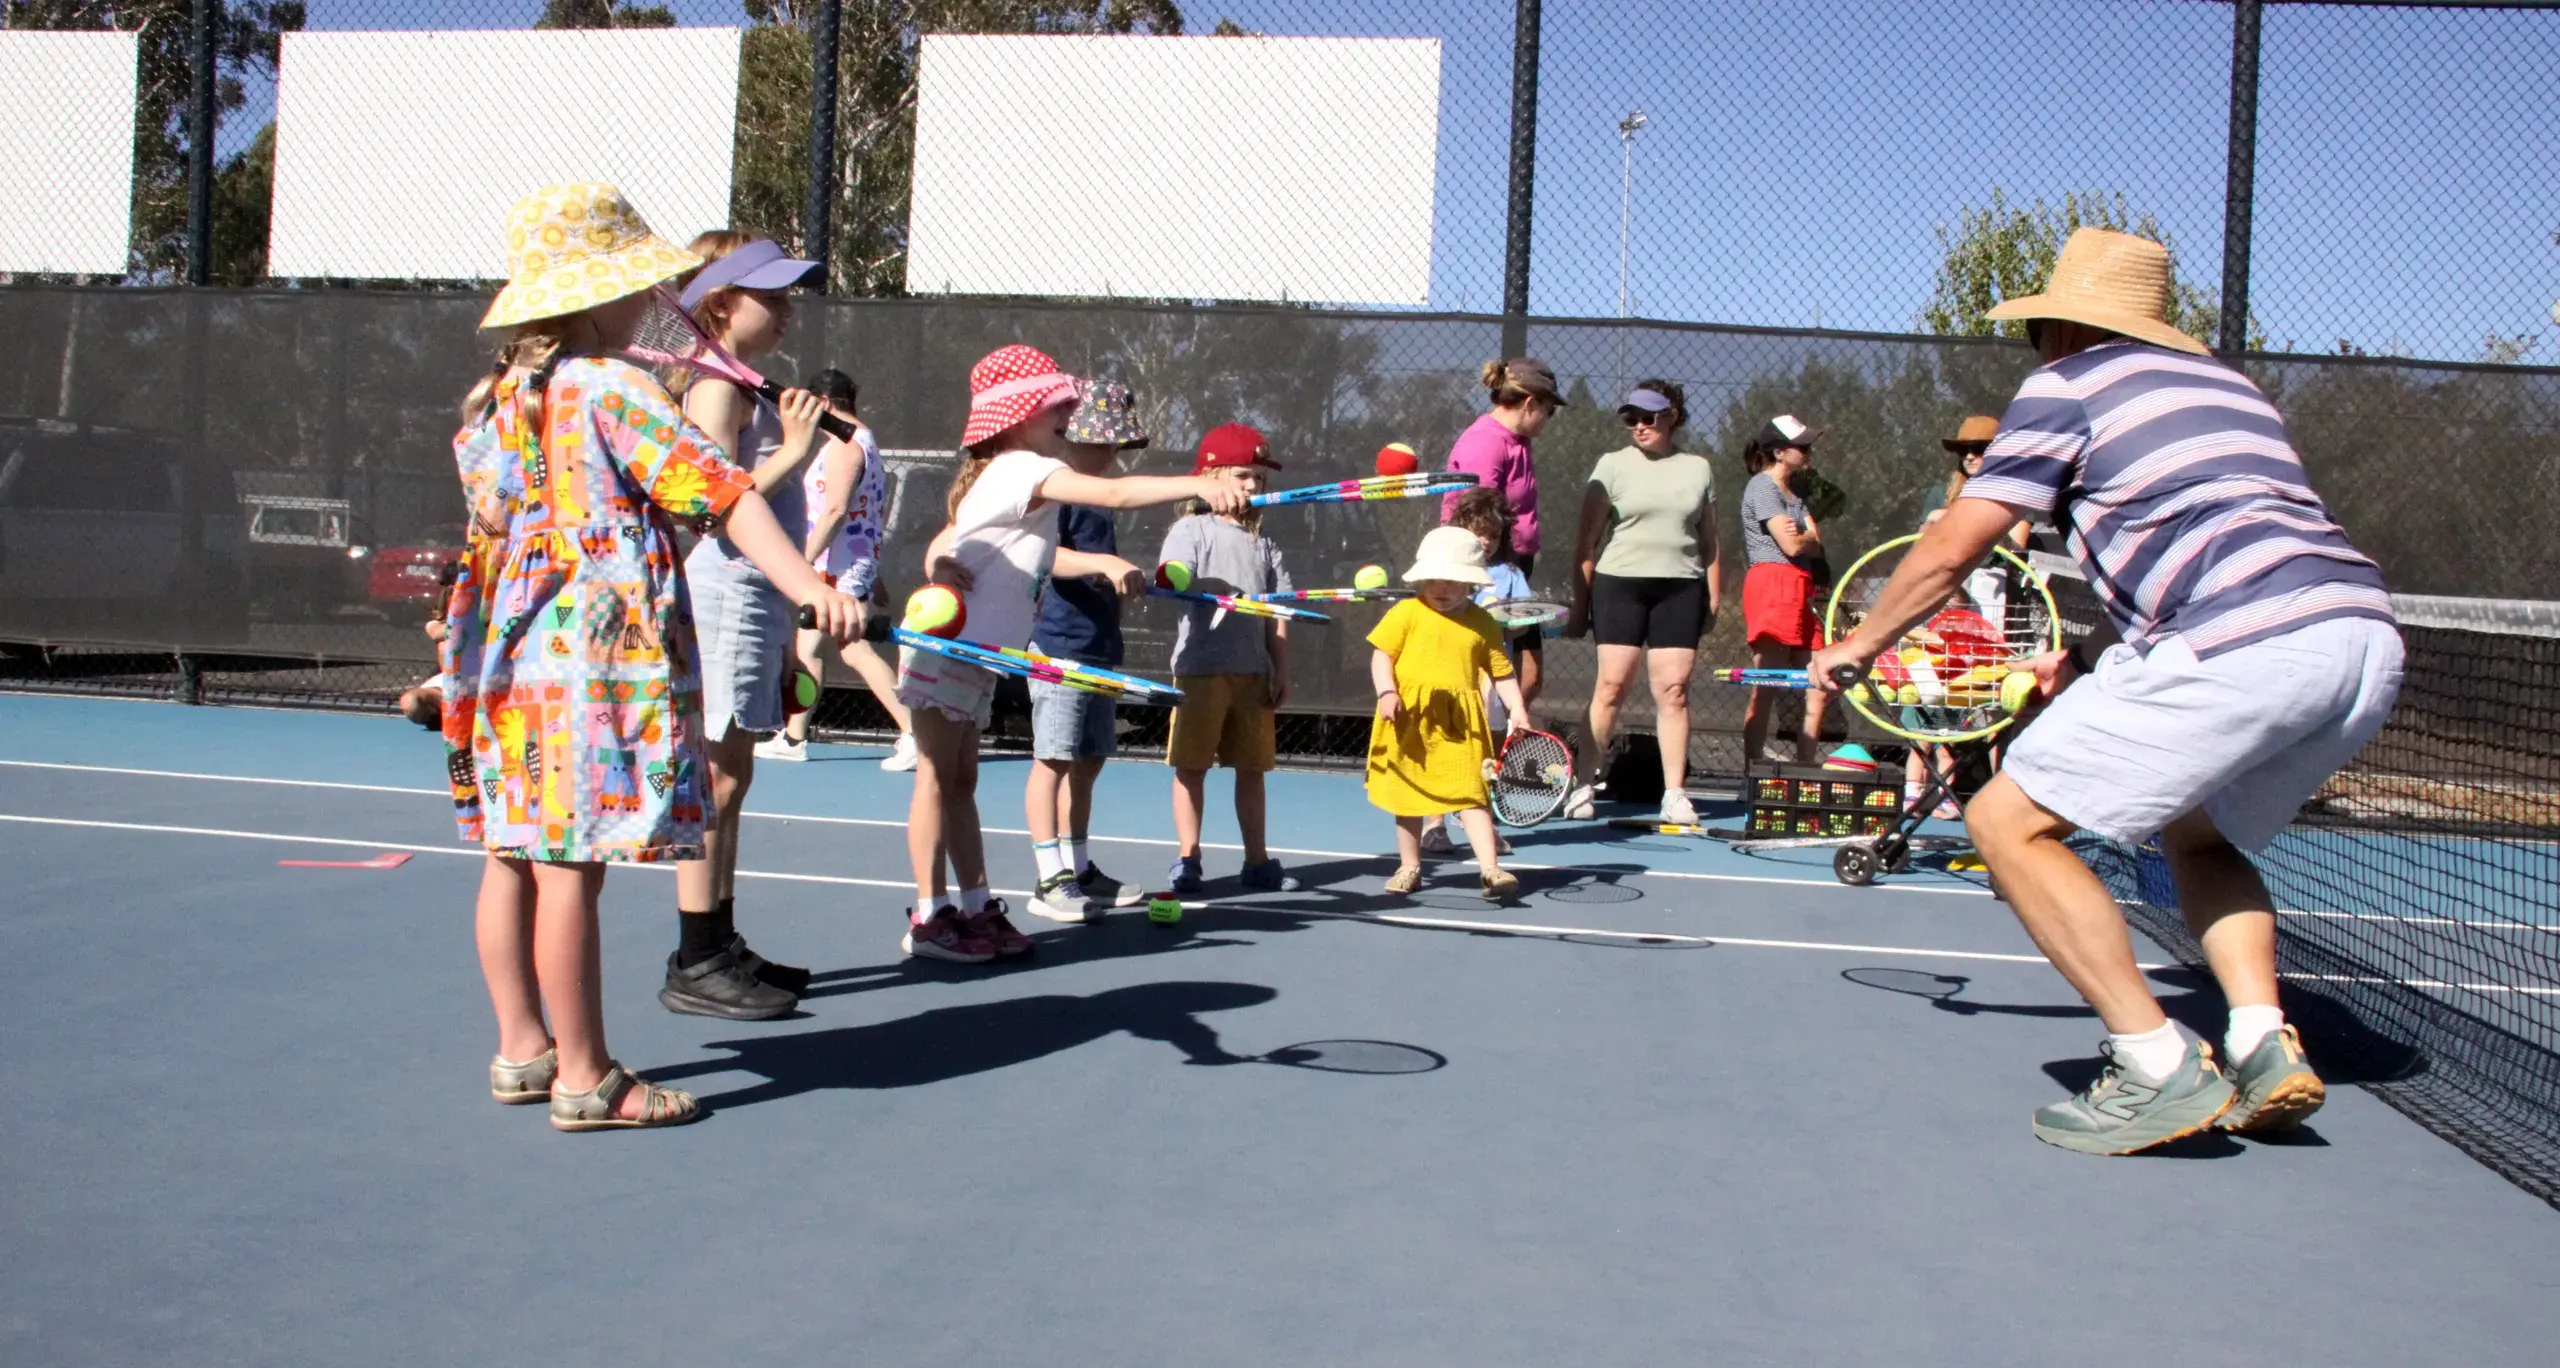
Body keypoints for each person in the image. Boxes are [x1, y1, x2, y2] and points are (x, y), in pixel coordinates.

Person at [1808, 228, 2404, 1155]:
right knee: (2198, 836)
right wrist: (2082, 633)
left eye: (2039, 329)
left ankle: (2156, 1064)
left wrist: (1861, 642)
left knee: (2006, 822)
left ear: (2064, 328)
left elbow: (1956, 543)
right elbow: (2189, 530)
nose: (2034, 348)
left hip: (2240, 639)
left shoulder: (2067, 385)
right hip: (2358, 637)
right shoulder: (2232, 392)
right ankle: (2259, 1038)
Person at [443, 183, 861, 1131]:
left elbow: (495, 530)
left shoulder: (502, 400)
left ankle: (522, 1047)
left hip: (513, 656)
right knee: (570, 868)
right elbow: (723, 494)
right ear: (600, 295)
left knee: (514, 853)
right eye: (635, 283)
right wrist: (809, 586)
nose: (647, 300)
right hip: (588, 658)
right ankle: (587, 1077)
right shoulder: (610, 386)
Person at [901, 347, 1245, 962]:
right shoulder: (1018, 467)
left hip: (979, 653)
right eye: (1054, 403)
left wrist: (939, 563)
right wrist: (1198, 483)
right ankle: (930, 916)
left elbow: (948, 538)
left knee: (961, 780)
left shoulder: (1010, 475)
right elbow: (1112, 495)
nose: (1068, 410)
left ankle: (976, 907)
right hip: (946, 647)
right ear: (1015, 416)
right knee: (936, 777)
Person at [660, 232, 830, 1021]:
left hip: (755, 596)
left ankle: (719, 941)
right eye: (775, 294)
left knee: (738, 774)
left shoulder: (743, 381)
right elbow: (711, 502)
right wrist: (794, 451)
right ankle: (697, 958)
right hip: (724, 593)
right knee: (717, 779)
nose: (789, 309)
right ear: (722, 302)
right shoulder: (711, 387)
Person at [1023, 380, 1154, 922]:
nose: (1111, 453)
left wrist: (1125, 584)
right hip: (1057, 647)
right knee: (1051, 759)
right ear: (1071, 438)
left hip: (1099, 646)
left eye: (1115, 444)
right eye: (1102, 442)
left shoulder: (1097, 499)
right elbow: (1045, 556)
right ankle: (1048, 879)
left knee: (1090, 759)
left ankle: (1079, 867)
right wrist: (1106, 566)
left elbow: (1102, 566)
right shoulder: (1060, 492)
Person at [1566, 380, 1722, 823]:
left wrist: (1713, 596)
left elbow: (1710, 540)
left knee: (1673, 692)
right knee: (1611, 686)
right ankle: (1583, 786)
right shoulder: (1612, 466)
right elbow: (1587, 541)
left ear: (1671, 416)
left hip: (1680, 589)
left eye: (1647, 417)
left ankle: (1674, 794)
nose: (1638, 426)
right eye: (1631, 418)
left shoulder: (1698, 468)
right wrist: (1581, 606)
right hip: (1620, 584)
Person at [1160, 423, 1300, 896]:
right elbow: (1173, 578)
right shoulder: (1190, 529)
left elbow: (1278, 614)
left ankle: (1257, 861)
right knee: (1191, 767)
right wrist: (1180, 581)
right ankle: (1188, 858)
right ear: (1211, 475)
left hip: (1253, 673)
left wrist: (1282, 666)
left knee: (1252, 770)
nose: (1251, 486)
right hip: (1200, 670)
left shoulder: (1266, 546)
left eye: (1259, 479)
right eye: (1242, 474)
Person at [755, 369, 918, 771]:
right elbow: (869, 511)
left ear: (824, 403)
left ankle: (915, 732)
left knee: (853, 648)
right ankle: (794, 737)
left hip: (839, 565)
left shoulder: (846, 444)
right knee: (807, 647)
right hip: (842, 563)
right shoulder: (861, 441)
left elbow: (836, 510)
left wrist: (802, 561)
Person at [1368, 525, 1529, 902]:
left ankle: (1490, 868)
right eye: (1434, 579)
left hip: (1460, 725)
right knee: (1407, 798)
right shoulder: (1406, 612)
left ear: (1470, 584)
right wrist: (1387, 691)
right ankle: (1409, 867)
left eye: (1452, 581)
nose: (1440, 588)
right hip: (1409, 718)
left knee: (1471, 796)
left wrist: (1517, 709)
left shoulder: (1483, 622)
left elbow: (1501, 672)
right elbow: (1382, 656)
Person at [1441, 358, 1564, 712]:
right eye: (1549, 410)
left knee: (1530, 676)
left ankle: (1503, 738)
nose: (1547, 419)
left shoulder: (1518, 440)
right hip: (1486, 573)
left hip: (1511, 569)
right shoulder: (1486, 441)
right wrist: (1490, 580)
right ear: (1530, 404)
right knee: (1495, 675)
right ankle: (1480, 744)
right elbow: (1477, 517)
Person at [1418, 487, 1527, 858]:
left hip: (1491, 679)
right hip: (1448, 676)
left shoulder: (1510, 574)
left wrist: (1505, 621)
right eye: (1477, 530)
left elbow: (1523, 625)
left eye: (1493, 534)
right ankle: (1433, 826)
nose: (1485, 539)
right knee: (1439, 747)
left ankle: (1479, 821)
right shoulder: (1442, 574)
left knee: (1484, 752)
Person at [1737, 413, 1832, 765]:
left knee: (1817, 682)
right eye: (1801, 446)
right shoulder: (1762, 488)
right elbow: (1792, 546)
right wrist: (1806, 538)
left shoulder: (1795, 495)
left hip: (1803, 588)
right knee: (1768, 682)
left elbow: (1813, 542)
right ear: (1778, 452)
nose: (1808, 452)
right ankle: (1753, 771)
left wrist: (1806, 538)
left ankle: (1805, 767)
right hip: (1773, 583)